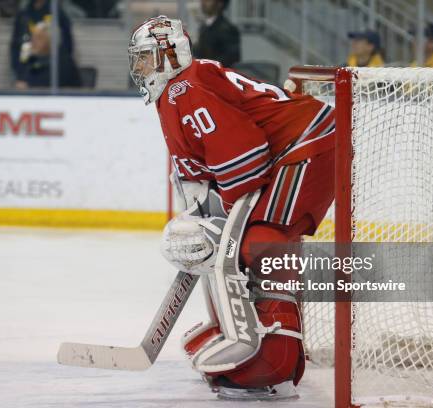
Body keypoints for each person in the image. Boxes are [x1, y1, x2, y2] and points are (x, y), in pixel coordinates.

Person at [129, 16, 335, 398]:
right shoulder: (175, 91)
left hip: (308, 142)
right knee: (232, 243)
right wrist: (207, 218)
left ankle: (277, 359)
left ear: (169, 56)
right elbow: (199, 167)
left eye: (146, 58)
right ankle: (235, 329)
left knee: (262, 244)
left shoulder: (186, 89)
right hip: (290, 148)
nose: (139, 68)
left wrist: (223, 225)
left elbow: (246, 155)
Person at [10, 0, 74, 83]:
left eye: (38, 38)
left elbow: (67, 43)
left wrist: (63, 61)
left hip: (50, 69)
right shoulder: (24, 14)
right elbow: (15, 45)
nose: (35, 41)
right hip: (26, 66)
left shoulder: (56, 13)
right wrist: (19, 71)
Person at [15, 22, 81, 89]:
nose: (33, 42)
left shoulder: (63, 62)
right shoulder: (32, 59)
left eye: (39, 38)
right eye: (33, 38)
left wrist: (28, 86)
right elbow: (22, 79)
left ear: (51, 41)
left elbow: (46, 86)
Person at [194, 0, 241, 68]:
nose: (203, 2)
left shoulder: (228, 29)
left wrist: (207, 66)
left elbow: (230, 58)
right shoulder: (204, 27)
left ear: (219, 3)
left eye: (208, 1)